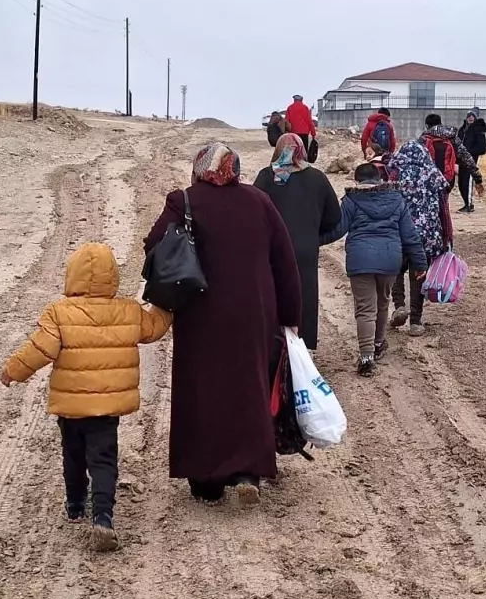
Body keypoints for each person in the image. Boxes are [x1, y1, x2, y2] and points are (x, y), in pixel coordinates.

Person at [143, 143, 301, 505]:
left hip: (200, 312)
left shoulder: (183, 200)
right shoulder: (260, 201)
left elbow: (153, 244)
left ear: (200, 168)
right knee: (249, 386)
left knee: (203, 389)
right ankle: (248, 472)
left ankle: (206, 480)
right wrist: (291, 317)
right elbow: (285, 263)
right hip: (254, 312)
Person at [0, 243, 172, 552]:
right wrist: (168, 303)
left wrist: (12, 371)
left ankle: (76, 504)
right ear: (112, 277)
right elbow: (154, 328)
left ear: (73, 276)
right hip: (106, 411)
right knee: (104, 460)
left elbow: (40, 350)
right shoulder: (128, 311)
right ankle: (103, 517)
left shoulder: (58, 313)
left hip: (72, 409)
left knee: (73, 456)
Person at [321, 162, 426, 375]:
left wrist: (310, 239)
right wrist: (420, 262)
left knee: (364, 309)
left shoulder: (351, 200)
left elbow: (338, 230)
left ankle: (366, 357)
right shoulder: (397, 199)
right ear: (379, 179)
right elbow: (410, 235)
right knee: (382, 303)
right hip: (389, 260)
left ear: (357, 181)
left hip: (360, 260)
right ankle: (378, 344)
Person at [253, 133, 342, 351]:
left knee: (273, 293)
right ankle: (302, 346)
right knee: (305, 294)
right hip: (305, 249)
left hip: (272, 250)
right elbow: (334, 217)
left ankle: (274, 344)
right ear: (302, 150)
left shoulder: (266, 177)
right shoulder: (317, 178)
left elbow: (252, 214)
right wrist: (312, 233)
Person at [387, 140, 451, 336]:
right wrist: (446, 234)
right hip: (427, 235)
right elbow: (443, 205)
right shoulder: (433, 174)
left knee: (396, 269)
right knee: (419, 273)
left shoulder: (395, 174)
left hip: (399, 232)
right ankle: (415, 321)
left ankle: (399, 306)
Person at [422, 113, 484, 199]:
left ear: (426, 125)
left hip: (428, 180)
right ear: (440, 124)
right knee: (443, 202)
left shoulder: (423, 139)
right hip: (447, 180)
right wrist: (478, 178)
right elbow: (466, 157)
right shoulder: (452, 138)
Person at [456, 108, 486, 212]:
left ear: (475, 118)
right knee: (461, 183)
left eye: (473, 116)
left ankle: (469, 205)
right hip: (461, 161)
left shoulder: (478, 131)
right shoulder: (462, 130)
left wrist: (469, 152)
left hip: (471, 162)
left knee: (468, 182)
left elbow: (482, 148)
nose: (470, 118)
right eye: (469, 116)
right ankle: (466, 203)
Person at [285, 94, 318, 161]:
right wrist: (313, 133)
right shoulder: (305, 108)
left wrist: (286, 132)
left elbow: (286, 121)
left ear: (294, 100)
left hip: (293, 133)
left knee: (293, 151)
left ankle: (294, 164)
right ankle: (303, 164)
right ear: (302, 100)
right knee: (304, 151)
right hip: (304, 133)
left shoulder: (290, 108)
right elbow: (309, 121)